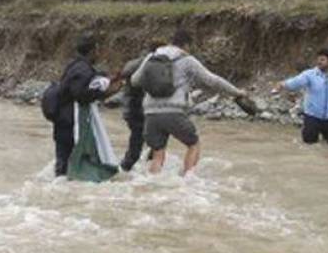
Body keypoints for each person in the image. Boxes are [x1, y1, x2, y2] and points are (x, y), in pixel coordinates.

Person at [129, 29, 249, 176]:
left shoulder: (151, 57)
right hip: (174, 112)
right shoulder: (186, 59)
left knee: (158, 154)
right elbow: (212, 80)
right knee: (193, 144)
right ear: (186, 45)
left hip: (150, 113)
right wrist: (237, 92)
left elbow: (134, 80)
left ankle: (152, 184)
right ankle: (187, 181)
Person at [52, 35, 120, 182]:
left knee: (63, 164)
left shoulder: (74, 66)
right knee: (72, 160)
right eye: (97, 50)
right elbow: (80, 95)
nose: (98, 53)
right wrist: (106, 92)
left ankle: (61, 190)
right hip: (71, 122)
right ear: (92, 51)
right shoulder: (82, 70)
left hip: (62, 119)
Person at [278, 47, 328, 146]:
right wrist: (283, 84)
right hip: (312, 118)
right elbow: (296, 82)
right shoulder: (310, 75)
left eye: (322, 60)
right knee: (309, 148)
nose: (319, 62)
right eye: (318, 59)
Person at [115, 39, 165, 172]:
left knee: (152, 139)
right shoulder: (145, 63)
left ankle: (145, 167)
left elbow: (123, 73)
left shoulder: (136, 62)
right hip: (136, 108)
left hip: (136, 108)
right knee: (138, 142)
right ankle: (125, 169)